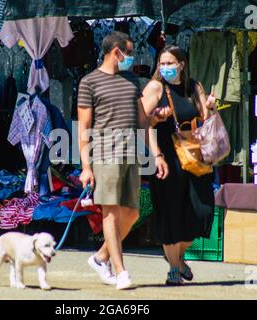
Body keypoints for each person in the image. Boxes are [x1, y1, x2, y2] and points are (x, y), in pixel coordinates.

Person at [77, 31, 163, 290]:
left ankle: (100, 257)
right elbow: (84, 128)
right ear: (117, 52)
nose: (131, 56)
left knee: (133, 212)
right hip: (105, 154)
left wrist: (156, 153)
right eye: (129, 51)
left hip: (131, 155)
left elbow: (142, 120)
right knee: (111, 212)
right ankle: (121, 271)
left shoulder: (131, 80)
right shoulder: (89, 82)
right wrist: (86, 167)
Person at [141, 45, 216, 286]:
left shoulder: (194, 87)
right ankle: (174, 268)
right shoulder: (155, 87)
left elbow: (205, 118)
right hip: (166, 157)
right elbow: (142, 122)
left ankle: (176, 256)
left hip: (193, 156)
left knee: (202, 211)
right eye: (161, 64)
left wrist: (212, 107)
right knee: (170, 212)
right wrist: (157, 155)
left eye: (170, 63)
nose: (165, 68)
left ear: (181, 64)